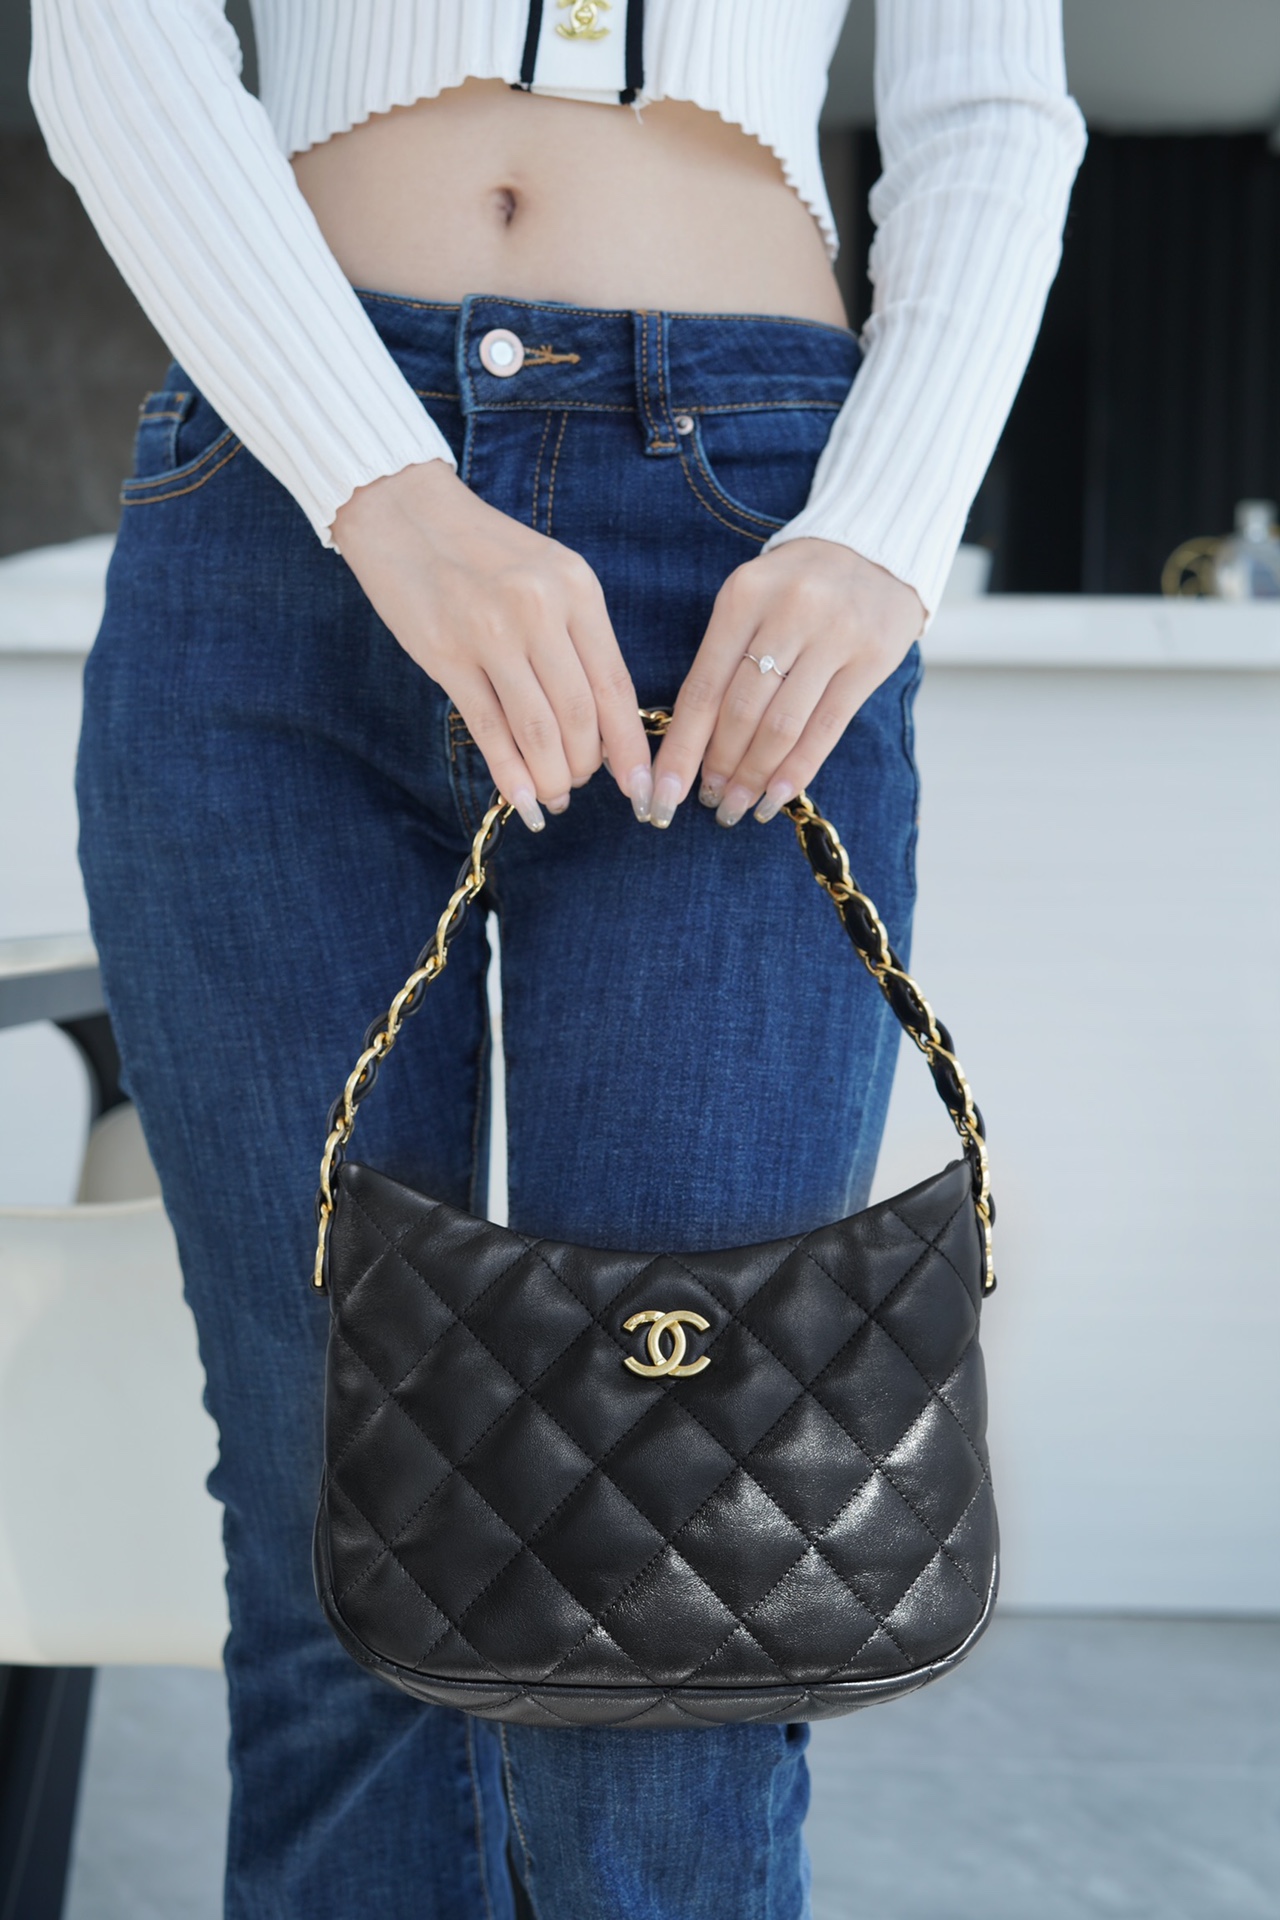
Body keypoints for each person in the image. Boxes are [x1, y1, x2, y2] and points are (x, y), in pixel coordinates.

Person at [29, 4, 1084, 1915]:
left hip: (745, 543)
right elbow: (115, 42)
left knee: (692, 1573)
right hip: (276, 503)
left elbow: (993, 105)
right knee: (324, 1538)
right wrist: (383, 487)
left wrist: (882, 531)